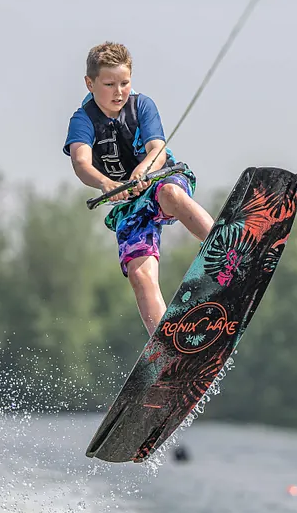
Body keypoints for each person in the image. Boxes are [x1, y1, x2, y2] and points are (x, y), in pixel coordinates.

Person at [63, 41, 214, 336]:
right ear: (89, 84)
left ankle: (223, 247)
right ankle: (165, 349)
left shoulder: (142, 105)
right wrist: (106, 183)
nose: (119, 91)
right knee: (139, 274)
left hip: (161, 181)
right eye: (109, 84)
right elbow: (82, 163)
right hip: (127, 204)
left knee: (170, 195)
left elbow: (157, 148)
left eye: (124, 82)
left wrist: (144, 169)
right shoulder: (82, 120)